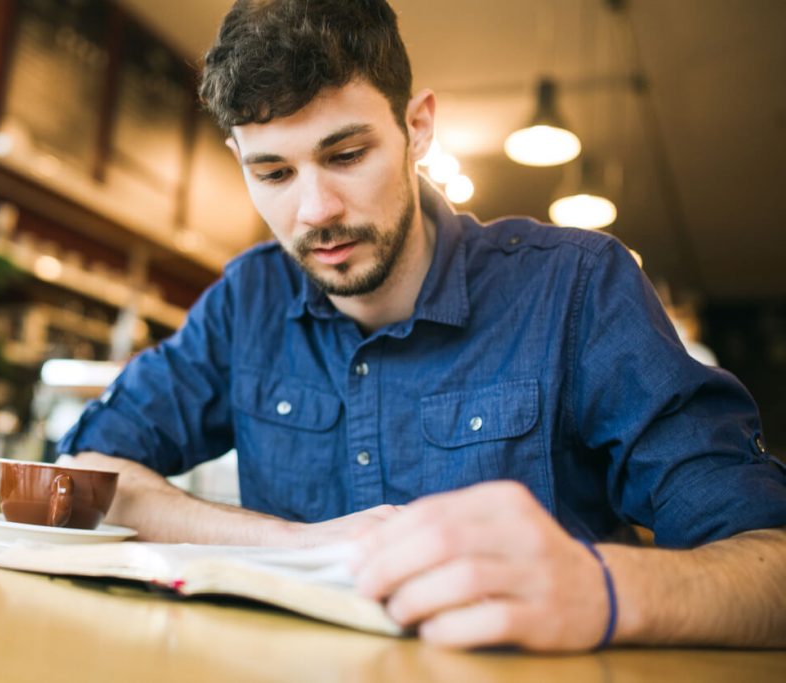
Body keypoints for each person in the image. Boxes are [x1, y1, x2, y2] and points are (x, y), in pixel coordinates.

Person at [59, 0, 786, 651]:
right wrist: (294, 544)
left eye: (346, 155)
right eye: (274, 173)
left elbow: (770, 562)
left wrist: (601, 588)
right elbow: (81, 475)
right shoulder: (247, 300)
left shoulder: (575, 287)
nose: (314, 210)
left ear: (418, 128)